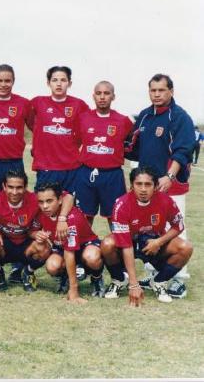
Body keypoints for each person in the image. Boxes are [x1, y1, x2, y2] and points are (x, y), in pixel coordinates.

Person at [126, 74, 195, 299]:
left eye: (161, 90)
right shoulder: (145, 116)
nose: (157, 94)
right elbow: (132, 146)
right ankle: (156, 274)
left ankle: (179, 276)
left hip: (170, 186)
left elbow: (183, 150)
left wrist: (169, 176)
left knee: (174, 229)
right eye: (153, 90)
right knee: (152, 230)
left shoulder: (180, 117)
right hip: (148, 187)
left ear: (171, 91)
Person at [101, 167, 193, 304]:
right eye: (139, 184)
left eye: (148, 184)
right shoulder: (121, 204)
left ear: (156, 186)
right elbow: (126, 246)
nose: (143, 189)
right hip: (129, 243)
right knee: (107, 244)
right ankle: (119, 280)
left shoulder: (165, 200)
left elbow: (178, 226)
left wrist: (159, 242)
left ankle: (158, 282)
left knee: (185, 247)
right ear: (131, 186)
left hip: (154, 243)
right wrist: (133, 284)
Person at [0, 170, 74, 292]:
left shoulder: (35, 199)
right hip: (3, 244)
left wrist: (62, 218)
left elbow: (68, 196)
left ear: (26, 187)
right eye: (10, 187)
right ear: (4, 186)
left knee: (44, 247)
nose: (15, 192)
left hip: (25, 245)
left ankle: (28, 272)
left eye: (19, 187)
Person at [29, 182, 105, 302]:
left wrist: (73, 290)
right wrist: (36, 234)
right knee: (52, 266)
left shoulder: (71, 218)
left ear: (59, 200)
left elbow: (69, 253)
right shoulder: (40, 212)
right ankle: (65, 277)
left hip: (85, 246)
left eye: (49, 201)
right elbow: (32, 230)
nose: (44, 206)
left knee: (92, 257)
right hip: (62, 247)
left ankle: (96, 277)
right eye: (41, 202)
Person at [74, 81, 133, 226]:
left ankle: (118, 248)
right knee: (84, 218)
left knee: (116, 218)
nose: (102, 97)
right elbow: (75, 143)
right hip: (86, 174)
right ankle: (83, 247)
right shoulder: (83, 118)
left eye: (106, 93)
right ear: (93, 96)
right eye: (99, 93)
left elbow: (131, 145)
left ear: (113, 96)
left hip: (112, 176)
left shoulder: (123, 121)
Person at [30, 66, 89, 192]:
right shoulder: (38, 102)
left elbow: (90, 127)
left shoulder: (79, 105)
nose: (58, 84)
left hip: (71, 167)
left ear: (69, 83)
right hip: (46, 166)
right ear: (48, 83)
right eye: (55, 80)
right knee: (45, 208)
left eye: (63, 80)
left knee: (70, 208)